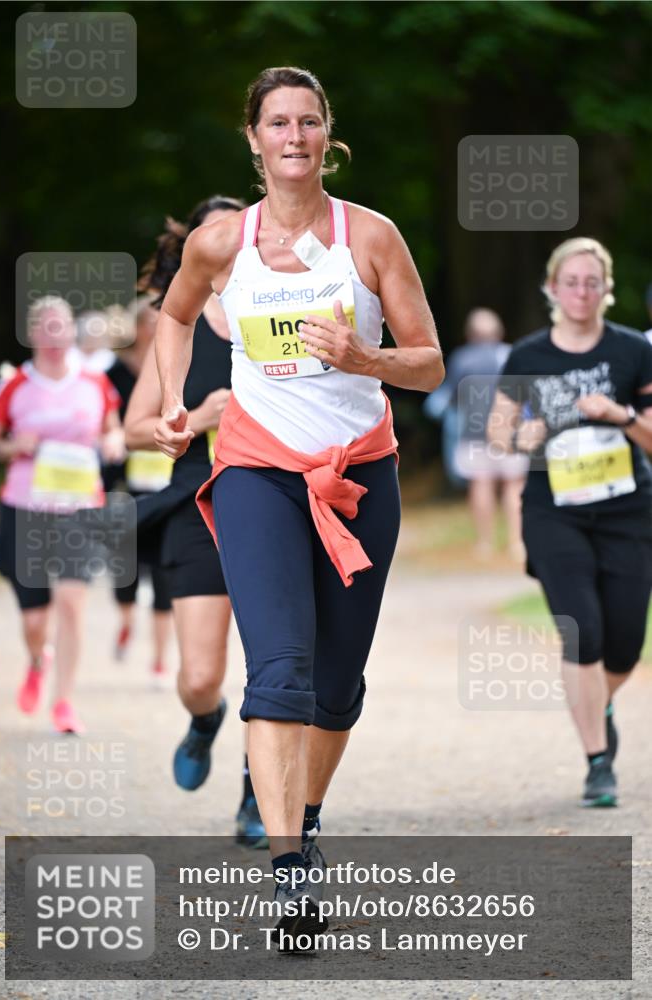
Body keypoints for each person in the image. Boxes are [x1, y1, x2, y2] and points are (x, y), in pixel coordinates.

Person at [153, 66, 443, 946]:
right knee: (277, 671)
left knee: (335, 684)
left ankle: (304, 818)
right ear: (253, 138)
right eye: (276, 122)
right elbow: (172, 317)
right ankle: (288, 872)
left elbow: (428, 361)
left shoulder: (372, 238)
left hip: (358, 474)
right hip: (256, 473)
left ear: (327, 135)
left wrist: (368, 360)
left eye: (307, 122)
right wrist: (173, 401)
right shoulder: (218, 243)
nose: (292, 136)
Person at [488, 237, 652, 807]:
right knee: (582, 628)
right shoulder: (527, 356)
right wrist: (522, 437)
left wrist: (623, 415)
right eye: (571, 281)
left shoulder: (634, 351)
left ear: (606, 289)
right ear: (552, 288)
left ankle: (598, 701)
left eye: (592, 282)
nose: (582, 292)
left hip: (628, 512)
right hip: (553, 512)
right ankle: (597, 761)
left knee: (626, 645)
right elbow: (496, 433)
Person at [126, 195, 266, 847]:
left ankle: (258, 797)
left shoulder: (279, 308)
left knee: (275, 671)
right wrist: (193, 422)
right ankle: (204, 721)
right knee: (202, 677)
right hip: (197, 505)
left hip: (275, 502)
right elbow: (132, 430)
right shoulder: (172, 324)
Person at [0, 296, 124, 733]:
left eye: (60, 327)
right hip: (24, 507)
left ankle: (63, 701)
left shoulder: (94, 382)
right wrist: (12, 446)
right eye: (44, 328)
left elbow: (112, 426)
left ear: (71, 333)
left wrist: (115, 442)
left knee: (71, 604)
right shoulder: (14, 385)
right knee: (35, 618)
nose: (53, 336)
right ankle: (35, 657)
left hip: (80, 508)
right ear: (32, 335)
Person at [103, 296, 174, 680]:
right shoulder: (115, 373)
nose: (156, 326)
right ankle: (126, 619)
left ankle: (160, 659)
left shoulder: (176, 364)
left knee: (165, 572)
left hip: (168, 484)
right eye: (150, 320)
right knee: (126, 570)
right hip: (128, 485)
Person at [444, 308, 528, 560]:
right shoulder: (512, 353)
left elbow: (453, 398)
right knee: (514, 485)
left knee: (481, 482)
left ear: (470, 334)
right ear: (498, 332)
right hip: (511, 431)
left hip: (474, 432)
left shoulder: (462, 359)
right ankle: (517, 543)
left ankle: (485, 543)